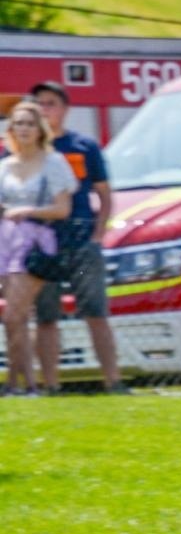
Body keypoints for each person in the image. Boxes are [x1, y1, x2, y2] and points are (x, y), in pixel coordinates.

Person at [28, 82, 125, 393]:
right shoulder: (22, 148)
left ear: (65, 108)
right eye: (39, 104)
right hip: (41, 245)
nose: (45, 109)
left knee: (95, 312)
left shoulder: (84, 146)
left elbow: (105, 195)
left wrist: (98, 234)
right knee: (46, 317)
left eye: (51, 103)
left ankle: (114, 382)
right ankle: (51, 386)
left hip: (81, 244)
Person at [0, 100, 75, 396]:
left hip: (35, 243)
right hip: (5, 240)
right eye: (19, 123)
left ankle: (25, 383)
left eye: (30, 123)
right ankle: (18, 383)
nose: (24, 129)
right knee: (13, 317)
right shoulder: (4, 166)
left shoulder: (53, 162)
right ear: (11, 129)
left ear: (39, 129)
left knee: (14, 314)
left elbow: (62, 209)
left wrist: (28, 210)